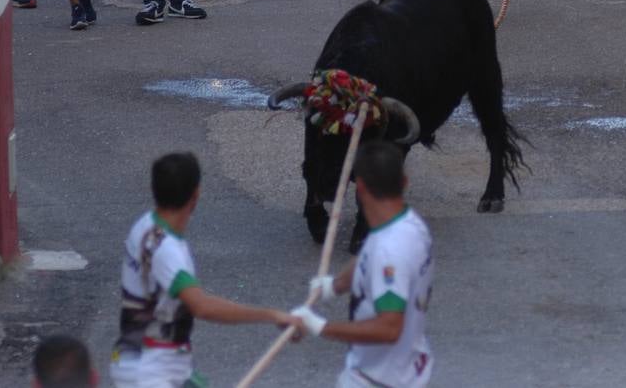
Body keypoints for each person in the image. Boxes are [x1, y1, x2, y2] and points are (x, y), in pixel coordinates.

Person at [111, 152, 298, 388]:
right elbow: (202, 306)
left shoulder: (144, 225)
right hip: (153, 372)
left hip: (135, 360)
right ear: (196, 194)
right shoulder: (169, 251)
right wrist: (272, 315)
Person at [292, 142, 435, 388]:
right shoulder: (409, 224)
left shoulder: (389, 251)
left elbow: (389, 328)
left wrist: (320, 327)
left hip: (380, 380)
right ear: (404, 182)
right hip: (406, 368)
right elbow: (367, 256)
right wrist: (334, 286)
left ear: (360, 188)